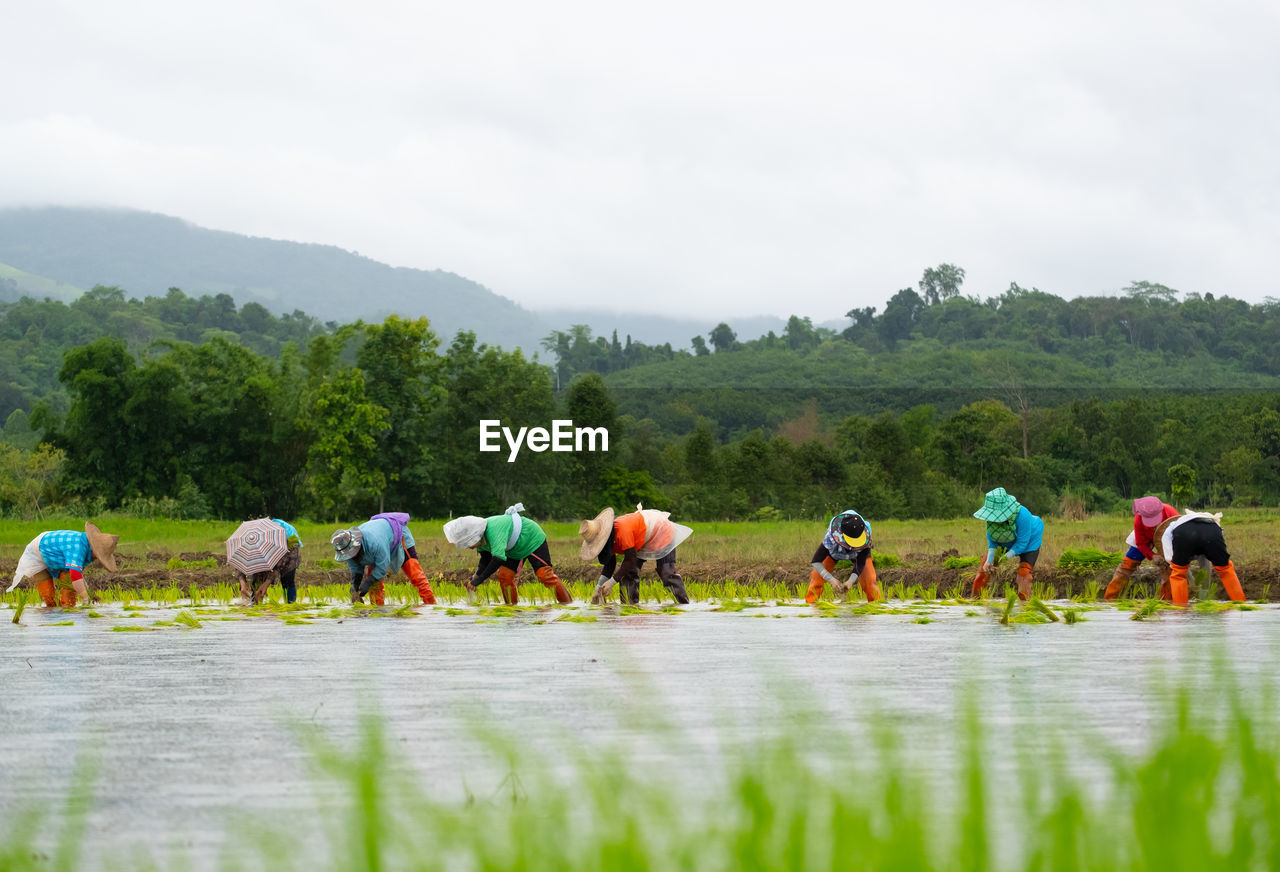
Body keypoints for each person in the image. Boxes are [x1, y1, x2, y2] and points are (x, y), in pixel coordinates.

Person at [442, 503, 570, 605]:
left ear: (475, 536)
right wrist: (474, 578)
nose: (469, 548)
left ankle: (568, 605)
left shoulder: (493, 532)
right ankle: (511, 609)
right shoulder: (481, 540)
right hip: (512, 548)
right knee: (504, 576)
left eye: (469, 544)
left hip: (530, 538)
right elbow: (485, 561)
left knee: (544, 575)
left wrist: (479, 581)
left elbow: (498, 559)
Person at [579, 504, 691, 605]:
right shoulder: (608, 540)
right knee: (628, 573)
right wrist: (598, 589)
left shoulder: (623, 531)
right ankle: (629, 607)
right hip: (640, 538)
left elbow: (630, 560)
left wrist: (611, 583)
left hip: (660, 530)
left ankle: (683, 605)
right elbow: (610, 564)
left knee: (666, 572)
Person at [330, 512, 436, 605]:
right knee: (375, 585)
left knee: (415, 575)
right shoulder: (349, 552)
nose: (351, 556)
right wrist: (355, 585)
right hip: (379, 539)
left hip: (397, 534)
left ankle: (431, 605)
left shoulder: (375, 543)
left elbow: (382, 566)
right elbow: (356, 568)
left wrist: (367, 582)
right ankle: (378, 611)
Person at [6, 522, 119, 607]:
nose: (97, 559)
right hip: (37, 554)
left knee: (69, 597)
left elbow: (77, 576)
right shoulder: (78, 548)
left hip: (57, 556)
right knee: (49, 597)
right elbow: (75, 575)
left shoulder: (85, 547)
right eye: (98, 555)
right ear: (94, 548)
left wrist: (89, 594)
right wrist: (85, 599)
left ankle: (66, 615)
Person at [1152, 511, 1244, 605]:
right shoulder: (1210, 520)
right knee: (1225, 569)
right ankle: (1240, 604)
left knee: (1178, 573)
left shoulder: (1170, 528)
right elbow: (1218, 539)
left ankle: (1180, 609)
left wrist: (1177, 566)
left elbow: (1169, 556)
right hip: (1211, 531)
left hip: (1184, 534)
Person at [970, 487, 1044, 600]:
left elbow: (1022, 543)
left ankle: (1023, 606)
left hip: (1029, 541)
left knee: (1024, 574)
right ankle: (975, 601)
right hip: (1005, 541)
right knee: (983, 569)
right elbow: (993, 540)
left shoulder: (1023, 515)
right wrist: (989, 561)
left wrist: (1004, 558)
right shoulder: (991, 520)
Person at [1104, 496, 1179, 601]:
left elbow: (1179, 536)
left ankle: (1166, 603)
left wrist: (1166, 555)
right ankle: (1110, 599)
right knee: (1126, 565)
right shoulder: (1139, 519)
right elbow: (1140, 543)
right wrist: (1152, 555)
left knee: (1168, 569)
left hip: (1167, 539)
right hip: (1146, 538)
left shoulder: (1171, 513)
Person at [805, 510, 882, 603]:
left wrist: (850, 581)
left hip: (857, 555)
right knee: (817, 578)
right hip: (834, 553)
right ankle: (811, 605)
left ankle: (875, 606)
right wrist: (831, 580)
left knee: (870, 580)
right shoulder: (831, 537)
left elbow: (861, 562)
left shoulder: (866, 537)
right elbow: (816, 561)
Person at [235, 518, 303, 605]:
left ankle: (291, 605)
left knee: (287, 579)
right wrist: (243, 583)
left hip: (288, 544)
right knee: (256, 579)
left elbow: (279, 565)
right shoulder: (246, 545)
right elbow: (239, 564)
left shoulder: (281, 542)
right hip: (267, 542)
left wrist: (266, 583)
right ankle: (254, 605)